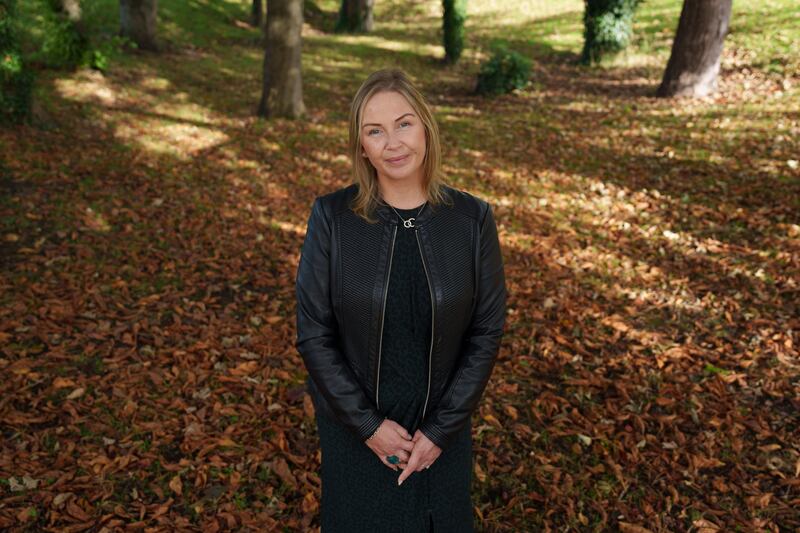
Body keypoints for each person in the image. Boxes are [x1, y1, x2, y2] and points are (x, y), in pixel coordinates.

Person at [295, 67, 507, 532]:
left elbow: (486, 331)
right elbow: (314, 334)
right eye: (375, 131)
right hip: (356, 433)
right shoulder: (333, 218)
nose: (393, 143)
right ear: (361, 147)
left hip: (441, 435)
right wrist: (369, 427)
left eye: (403, 124)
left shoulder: (471, 220)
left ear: (426, 128)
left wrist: (439, 431)